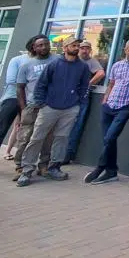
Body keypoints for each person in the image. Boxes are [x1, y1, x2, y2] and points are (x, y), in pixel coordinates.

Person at [16, 36, 90, 187]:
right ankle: (27, 170)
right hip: (49, 107)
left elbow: (84, 86)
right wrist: (42, 103)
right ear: (65, 48)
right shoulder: (54, 64)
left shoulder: (82, 67)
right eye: (73, 45)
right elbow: (41, 85)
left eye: (78, 45)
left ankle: (54, 167)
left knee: (61, 138)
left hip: (70, 109)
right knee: (36, 138)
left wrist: (78, 103)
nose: (76, 48)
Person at [84, 40, 129, 185]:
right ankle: (111, 171)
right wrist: (105, 98)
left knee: (110, 137)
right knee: (108, 139)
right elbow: (111, 84)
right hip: (109, 105)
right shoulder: (117, 65)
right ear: (125, 50)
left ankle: (100, 167)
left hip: (126, 105)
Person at [12, 35, 56, 180]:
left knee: (48, 138)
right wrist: (24, 108)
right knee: (25, 138)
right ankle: (20, 166)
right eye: (40, 45)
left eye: (46, 44)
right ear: (34, 48)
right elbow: (20, 88)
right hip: (31, 107)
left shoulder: (57, 61)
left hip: (51, 107)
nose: (44, 47)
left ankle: (43, 166)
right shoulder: (26, 65)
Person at [63, 41, 106, 164]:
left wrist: (88, 84)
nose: (84, 50)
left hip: (81, 98)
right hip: (65, 97)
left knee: (76, 126)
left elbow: (101, 73)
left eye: (87, 48)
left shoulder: (91, 62)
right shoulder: (71, 60)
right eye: (82, 48)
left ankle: (68, 154)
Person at [0, 40, 35, 158]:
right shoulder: (17, 60)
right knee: (2, 127)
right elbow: (11, 80)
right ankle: (8, 152)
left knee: (24, 130)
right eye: (39, 45)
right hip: (13, 97)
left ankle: (18, 159)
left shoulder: (43, 62)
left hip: (31, 101)